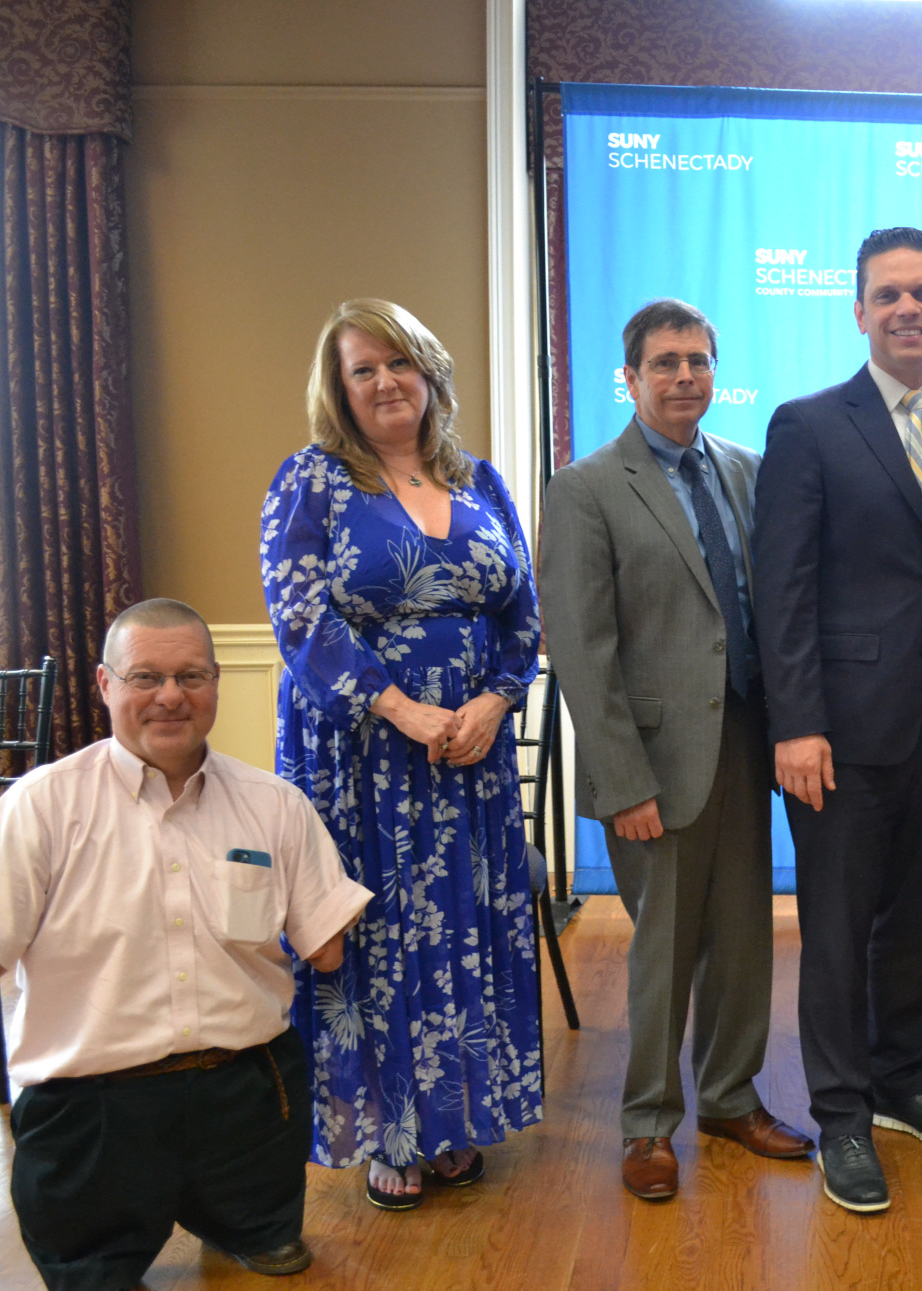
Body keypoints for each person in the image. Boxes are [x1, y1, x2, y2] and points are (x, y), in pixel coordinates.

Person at [0, 598, 371, 1290]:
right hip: (94, 1106)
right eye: (146, 677)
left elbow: (326, 949)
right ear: (106, 684)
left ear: (217, 683)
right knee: (91, 1271)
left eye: (191, 676)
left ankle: (246, 1220)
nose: (171, 696)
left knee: (269, 1233)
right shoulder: (40, 805)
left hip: (244, 1092)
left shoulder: (274, 804)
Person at [261, 299, 543, 1211]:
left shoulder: (481, 481)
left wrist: (496, 700)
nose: (386, 382)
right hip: (361, 757)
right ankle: (389, 1128)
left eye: (400, 363)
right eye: (363, 369)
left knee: (464, 923)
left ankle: (456, 1117)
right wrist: (402, 708)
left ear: (429, 373)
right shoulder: (312, 480)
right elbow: (300, 615)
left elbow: (522, 612)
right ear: (338, 389)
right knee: (374, 934)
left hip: (473, 757)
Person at [753, 227, 922, 1212]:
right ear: (859, 311)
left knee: (919, 923)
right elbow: (784, 587)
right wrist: (796, 722)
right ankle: (843, 1114)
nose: (908, 309)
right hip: (840, 737)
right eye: (888, 294)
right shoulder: (810, 425)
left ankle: (904, 1081)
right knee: (838, 929)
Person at [538, 299, 813, 1202]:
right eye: (665, 362)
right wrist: (621, 781)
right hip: (652, 760)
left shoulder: (746, 468)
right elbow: (583, 648)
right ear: (631, 376)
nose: (685, 376)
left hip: (742, 739)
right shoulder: (586, 488)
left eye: (698, 360)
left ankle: (731, 1097)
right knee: (661, 947)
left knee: (742, 936)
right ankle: (648, 1123)